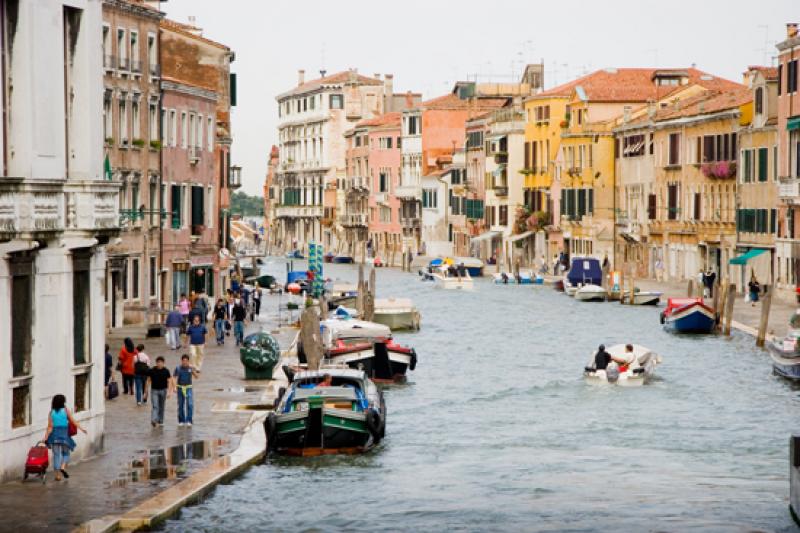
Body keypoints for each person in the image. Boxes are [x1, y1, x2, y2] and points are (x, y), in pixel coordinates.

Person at [44, 394, 86, 481]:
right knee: (66, 453)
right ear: (63, 402)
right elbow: (73, 421)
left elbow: (49, 427)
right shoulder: (66, 410)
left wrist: (46, 437)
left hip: (54, 436)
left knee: (56, 455)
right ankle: (63, 467)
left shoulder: (51, 413)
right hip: (64, 436)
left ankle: (57, 475)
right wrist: (82, 429)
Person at [173, 354, 199, 427]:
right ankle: (181, 420)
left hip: (188, 388)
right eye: (183, 361)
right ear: (181, 361)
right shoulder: (178, 368)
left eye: (186, 361)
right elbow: (174, 377)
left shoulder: (190, 368)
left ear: (188, 361)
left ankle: (189, 420)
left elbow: (197, 377)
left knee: (190, 404)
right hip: (180, 387)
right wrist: (174, 387)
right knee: (180, 404)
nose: (184, 362)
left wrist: (193, 370)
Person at [149, 356, 172, 427]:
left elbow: (169, 381)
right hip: (154, 390)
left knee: (161, 406)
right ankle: (154, 420)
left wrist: (169, 392)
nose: (159, 364)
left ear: (163, 363)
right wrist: (145, 391)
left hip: (163, 390)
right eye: (158, 362)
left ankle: (161, 421)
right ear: (156, 363)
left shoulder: (166, 371)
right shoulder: (152, 370)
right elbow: (148, 380)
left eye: (161, 362)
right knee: (155, 406)